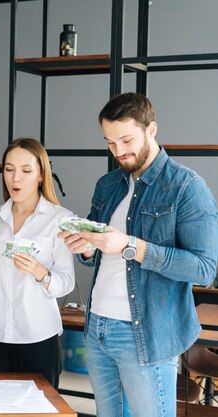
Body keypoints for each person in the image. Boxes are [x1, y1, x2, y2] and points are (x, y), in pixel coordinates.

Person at [58, 92, 218, 417]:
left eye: (126, 140)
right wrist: (87, 248)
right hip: (98, 327)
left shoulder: (187, 187)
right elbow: (102, 249)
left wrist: (132, 246)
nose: (119, 152)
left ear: (151, 129)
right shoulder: (108, 184)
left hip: (144, 333)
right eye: (110, 143)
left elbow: (204, 269)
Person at [0, 138, 75, 389]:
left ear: (40, 175)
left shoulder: (60, 219)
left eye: (26, 171)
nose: (16, 178)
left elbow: (66, 282)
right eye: (9, 169)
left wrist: (39, 271)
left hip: (38, 337)